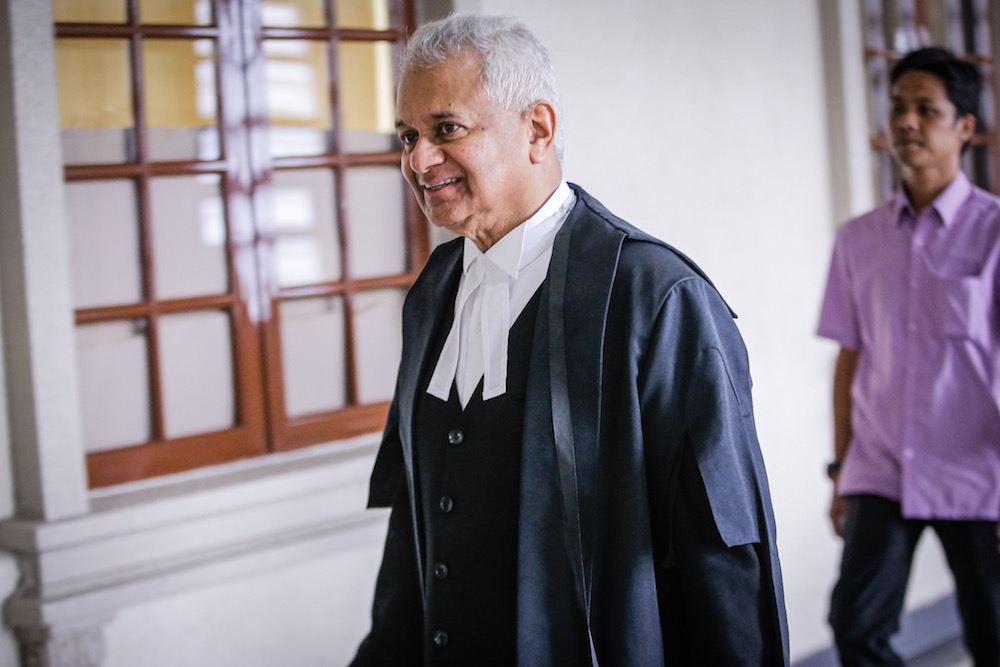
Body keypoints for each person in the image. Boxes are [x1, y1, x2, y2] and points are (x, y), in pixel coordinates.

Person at [351, 12, 788, 665]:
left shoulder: (654, 299)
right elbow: (413, 533)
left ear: (538, 129)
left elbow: (721, 558)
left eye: (447, 129)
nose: (418, 159)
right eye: (408, 135)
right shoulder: (434, 291)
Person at [817, 46, 1000, 666]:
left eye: (926, 109)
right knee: (856, 627)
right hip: (882, 469)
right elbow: (849, 357)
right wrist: (841, 468)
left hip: (980, 474)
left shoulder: (994, 233)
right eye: (898, 107)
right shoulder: (858, 239)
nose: (907, 122)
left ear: (965, 127)